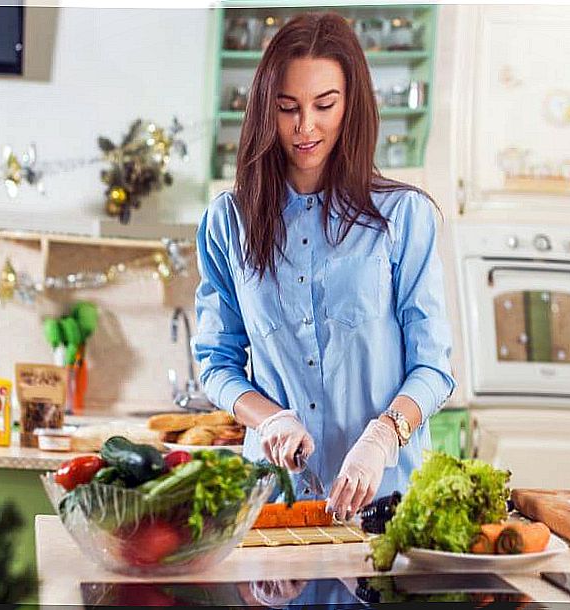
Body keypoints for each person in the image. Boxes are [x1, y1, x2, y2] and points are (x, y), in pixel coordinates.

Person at [193, 12, 455, 521]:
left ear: (351, 106)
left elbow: (434, 367)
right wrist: (268, 421)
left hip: (387, 507)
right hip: (275, 507)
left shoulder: (403, 217)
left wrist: (384, 436)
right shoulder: (228, 222)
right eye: (287, 108)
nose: (305, 127)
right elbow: (215, 363)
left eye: (324, 105)